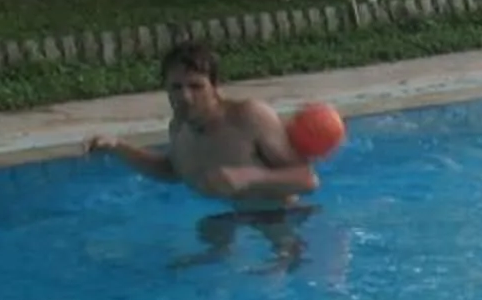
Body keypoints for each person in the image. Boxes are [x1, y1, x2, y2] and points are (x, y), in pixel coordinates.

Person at [88, 41, 319, 206]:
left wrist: (249, 177)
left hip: (284, 218)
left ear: (215, 87)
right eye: (176, 87)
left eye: (196, 86)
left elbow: (307, 179)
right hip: (234, 215)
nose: (185, 97)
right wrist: (118, 147)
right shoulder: (179, 126)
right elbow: (173, 171)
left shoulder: (249, 117)